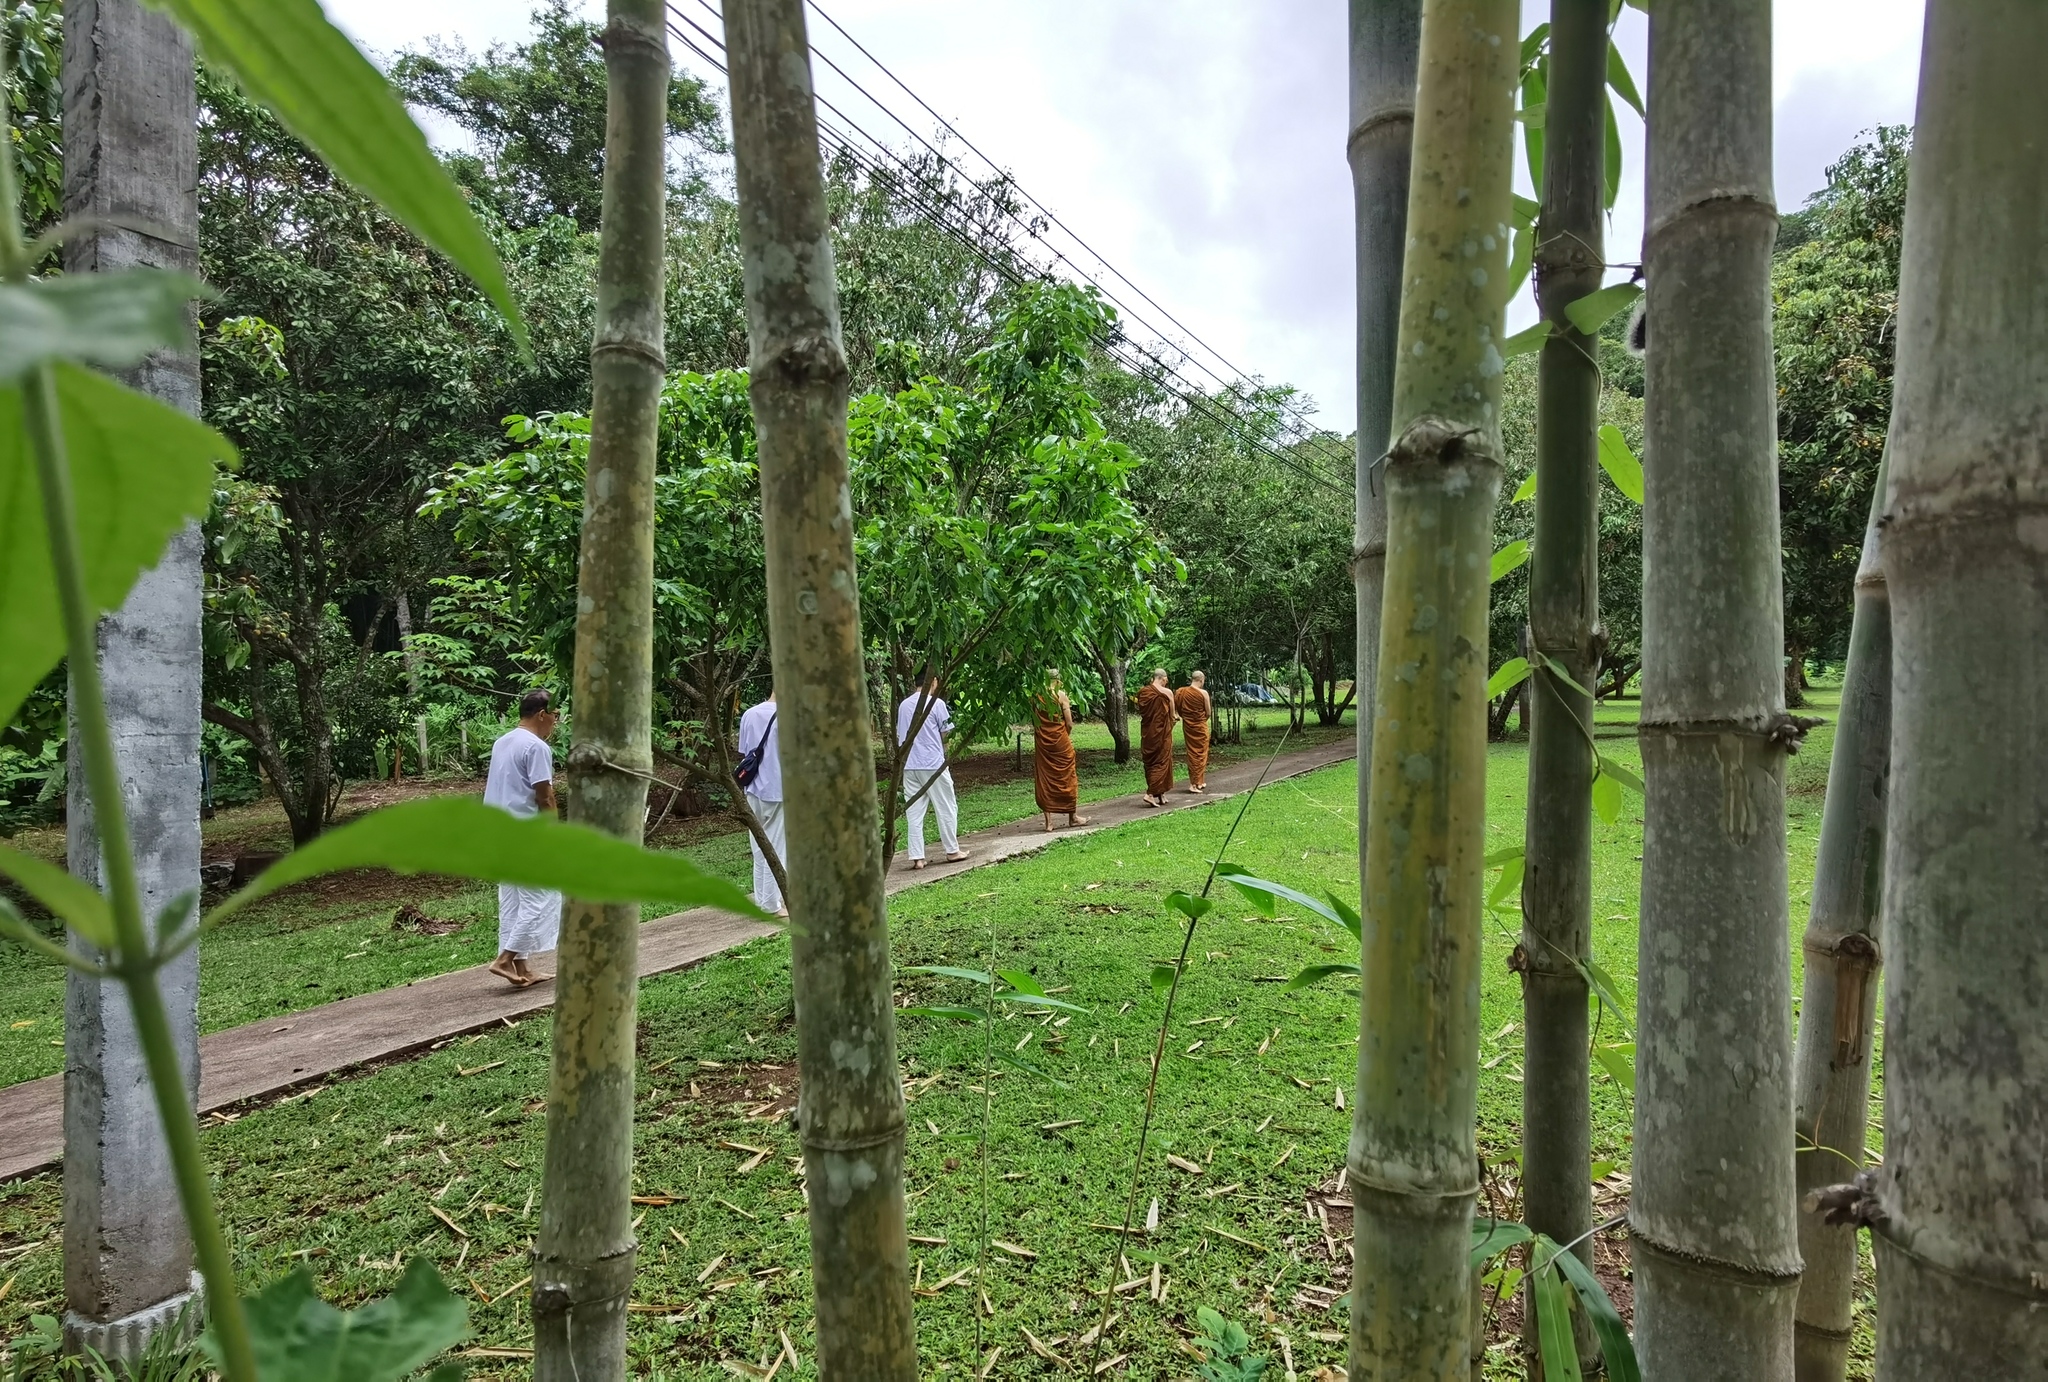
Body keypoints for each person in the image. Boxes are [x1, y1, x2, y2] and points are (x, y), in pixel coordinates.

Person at [485, 689, 561, 986]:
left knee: (514, 898)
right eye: (555, 716)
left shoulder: (502, 742)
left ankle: (522, 968)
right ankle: (505, 959)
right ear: (542, 714)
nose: (556, 723)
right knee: (542, 896)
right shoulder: (536, 747)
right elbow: (545, 797)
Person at [897, 679, 968, 869]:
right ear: (933, 681)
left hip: (910, 765)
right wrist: (945, 753)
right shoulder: (937, 703)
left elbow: (900, 735)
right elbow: (947, 733)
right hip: (933, 764)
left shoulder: (903, 706)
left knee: (914, 812)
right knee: (946, 806)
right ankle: (952, 850)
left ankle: (917, 857)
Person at [736, 690, 788, 918]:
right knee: (776, 848)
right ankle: (771, 904)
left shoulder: (749, 714)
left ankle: (764, 900)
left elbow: (745, 751)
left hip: (753, 790)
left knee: (759, 848)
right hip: (778, 790)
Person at [1032, 669, 1088, 832]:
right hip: (1060, 741)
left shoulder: (1036, 696)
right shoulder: (1061, 695)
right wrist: (1064, 735)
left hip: (1043, 742)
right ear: (1057, 681)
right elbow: (1069, 724)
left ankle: (1049, 823)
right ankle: (1073, 817)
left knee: (1045, 778)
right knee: (1067, 776)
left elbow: (1035, 721)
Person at [1136, 667, 1178, 806]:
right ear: (1163, 679)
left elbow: (1145, 713)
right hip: (1161, 734)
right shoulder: (1167, 693)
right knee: (1161, 762)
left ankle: (1161, 793)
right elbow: (1172, 715)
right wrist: (1171, 723)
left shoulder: (1143, 693)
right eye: (1166, 680)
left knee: (1151, 763)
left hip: (1148, 733)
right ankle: (1150, 794)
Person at [1176, 670, 1214, 793]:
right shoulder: (1203, 693)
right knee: (1200, 754)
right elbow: (1208, 712)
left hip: (1188, 726)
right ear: (1201, 680)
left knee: (1193, 754)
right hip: (1200, 727)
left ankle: (1199, 781)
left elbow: (1179, 710)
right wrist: (1200, 720)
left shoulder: (1181, 692)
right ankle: (1194, 784)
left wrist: (1189, 719)